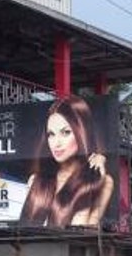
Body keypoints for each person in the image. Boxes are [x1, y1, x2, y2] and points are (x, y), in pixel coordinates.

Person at [19, 95, 115, 229]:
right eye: (51, 134)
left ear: (81, 132)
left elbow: (86, 232)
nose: (56, 143)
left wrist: (94, 180)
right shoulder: (36, 181)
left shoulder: (104, 182)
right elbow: (23, 229)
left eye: (65, 132)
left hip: (73, 248)